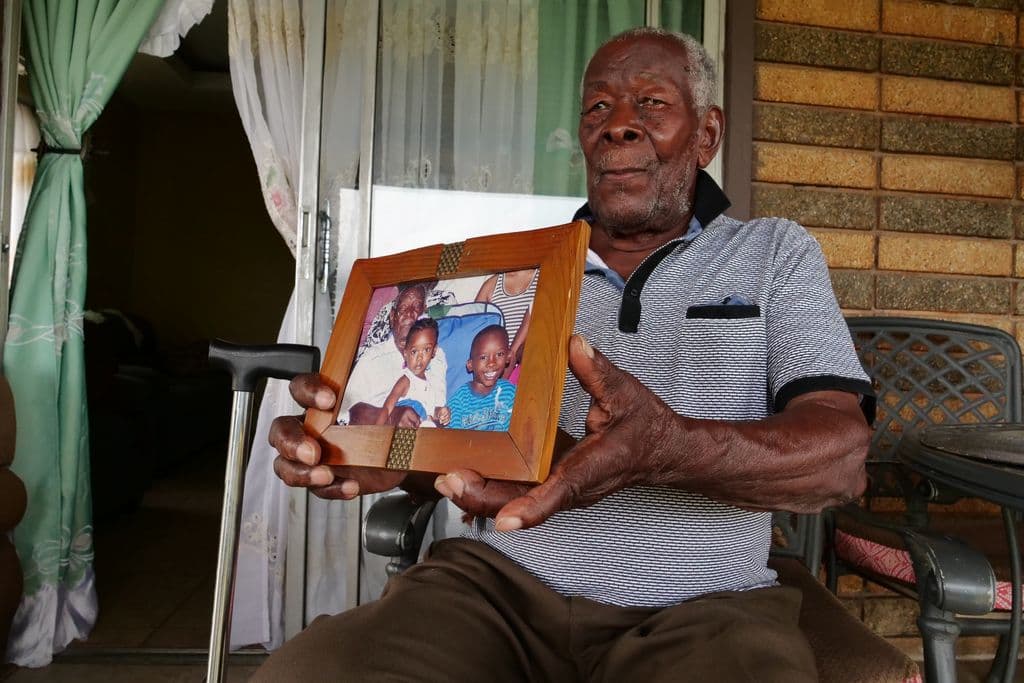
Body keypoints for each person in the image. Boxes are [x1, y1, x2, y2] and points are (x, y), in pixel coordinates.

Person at [262, 27, 872, 682]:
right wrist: (386, 453)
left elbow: (841, 455)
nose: (619, 127)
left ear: (707, 135)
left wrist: (669, 447)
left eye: (651, 104)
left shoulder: (774, 253)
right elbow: (467, 435)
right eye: (598, 109)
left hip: (707, 607)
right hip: (500, 589)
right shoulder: (516, 273)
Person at [338, 283, 447, 427]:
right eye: (403, 308)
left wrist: (442, 414)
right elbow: (344, 416)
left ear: (424, 312)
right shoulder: (372, 359)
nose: (409, 313)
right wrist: (391, 418)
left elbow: (438, 410)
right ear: (392, 316)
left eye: (416, 307)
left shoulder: (437, 356)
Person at [377, 318, 451, 428]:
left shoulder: (431, 383)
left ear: (434, 351)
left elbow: (431, 412)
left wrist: (441, 413)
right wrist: (376, 430)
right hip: (403, 429)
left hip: (423, 431)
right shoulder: (406, 380)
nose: (420, 357)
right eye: (414, 351)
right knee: (415, 406)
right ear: (405, 353)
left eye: (426, 350)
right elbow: (387, 407)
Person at [446, 324, 517, 432]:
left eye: (499, 354)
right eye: (483, 357)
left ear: (508, 358)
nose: (492, 363)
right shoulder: (460, 400)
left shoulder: (510, 392)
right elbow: (453, 436)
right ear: (470, 365)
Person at [474, 268, 538, 378]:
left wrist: (511, 357)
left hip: (528, 363)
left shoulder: (543, 277)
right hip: (493, 367)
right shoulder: (492, 284)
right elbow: (474, 326)